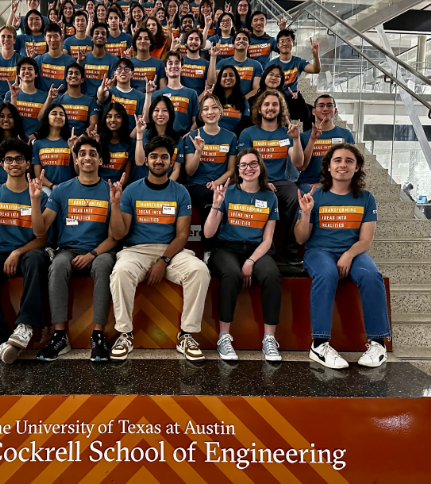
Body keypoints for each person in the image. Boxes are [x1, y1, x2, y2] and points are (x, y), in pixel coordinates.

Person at [109, 135, 211, 362]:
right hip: (136, 250)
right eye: (154, 157)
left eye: (164, 157)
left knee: (199, 270)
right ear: (146, 160)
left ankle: (186, 335)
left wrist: (163, 261)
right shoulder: (132, 191)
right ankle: (125, 333)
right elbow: (118, 234)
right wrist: (115, 205)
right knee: (121, 272)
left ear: (170, 161)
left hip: (171, 252)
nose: (158, 161)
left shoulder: (180, 192)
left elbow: (183, 235)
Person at [294, 143, 390, 370]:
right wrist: (306, 214)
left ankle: (378, 343)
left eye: (349, 161)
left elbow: (365, 240)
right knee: (326, 274)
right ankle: (319, 344)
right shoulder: (314, 194)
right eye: (337, 160)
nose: (343, 165)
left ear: (357, 168)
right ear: (328, 166)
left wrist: (347, 255)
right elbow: (300, 239)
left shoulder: (366, 198)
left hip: (353, 251)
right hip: (318, 251)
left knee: (371, 275)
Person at [29, 135, 118, 362]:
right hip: (68, 250)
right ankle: (60, 336)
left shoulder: (111, 191)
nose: (87, 158)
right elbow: (40, 231)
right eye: (82, 154)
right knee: (57, 265)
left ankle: (98, 335)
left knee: (103, 265)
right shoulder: (61, 191)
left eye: (92, 154)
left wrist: (92, 254)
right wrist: (34, 201)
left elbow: (116, 236)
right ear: (76, 160)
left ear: (100, 160)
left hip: (100, 250)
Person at [0, 139, 50, 363]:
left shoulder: (39, 195)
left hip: (28, 251)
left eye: (19, 159)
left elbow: (40, 238)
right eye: (9, 160)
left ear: (27, 164)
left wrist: (17, 253)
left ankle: (25, 326)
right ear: (2, 164)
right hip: (0, 251)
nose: (14, 163)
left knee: (37, 260)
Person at [204, 149, 282, 361]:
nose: (248, 168)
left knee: (272, 275)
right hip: (226, 249)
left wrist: (250, 261)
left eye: (253, 164)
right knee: (230, 273)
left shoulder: (270, 197)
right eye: (243, 165)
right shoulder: (227, 192)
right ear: (238, 170)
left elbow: (267, 240)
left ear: (260, 167)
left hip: (256, 250)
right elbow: (208, 233)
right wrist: (216, 206)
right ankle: (224, 337)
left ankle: (269, 339)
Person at [238, 89, 303, 263]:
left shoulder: (286, 133)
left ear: (281, 109)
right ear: (259, 109)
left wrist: (296, 139)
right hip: (254, 181)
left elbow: (298, 162)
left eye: (275, 104)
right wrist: (262, 182)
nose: (270, 108)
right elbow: (244, 164)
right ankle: (256, 250)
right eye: (266, 104)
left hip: (281, 182)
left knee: (295, 196)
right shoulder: (248, 133)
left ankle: (289, 251)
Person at [183, 93, 238, 251]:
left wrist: (216, 183)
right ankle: (208, 251)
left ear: (221, 111)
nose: (210, 112)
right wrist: (198, 152)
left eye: (214, 107)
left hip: (220, 184)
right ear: (201, 115)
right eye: (206, 109)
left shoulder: (231, 137)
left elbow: (232, 170)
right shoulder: (192, 137)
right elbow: (189, 171)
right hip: (196, 185)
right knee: (210, 198)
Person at [298, 95, 355, 193]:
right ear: (314, 111)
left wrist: (328, 183)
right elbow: (302, 166)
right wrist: (312, 139)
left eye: (329, 105)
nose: (325, 108)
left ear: (335, 111)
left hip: (338, 182)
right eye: (321, 105)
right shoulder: (303, 137)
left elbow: (352, 163)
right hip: (308, 184)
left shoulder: (345, 135)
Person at [134, 95, 184, 182]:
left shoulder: (178, 139)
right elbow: (139, 162)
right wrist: (139, 134)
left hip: (166, 184)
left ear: (170, 113)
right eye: (156, 110)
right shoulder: (144, 134)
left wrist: (164, 186)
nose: (160, 114)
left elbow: (176, 171)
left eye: (165, 110)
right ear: (151, 113)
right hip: (143, 183)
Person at [96, 57, 149, 134]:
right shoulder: (110, 91)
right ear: (115, 74)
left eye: (126, 69)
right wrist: (101, 89)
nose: (123, 72)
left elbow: (140, 120)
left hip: (130, 139)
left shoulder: (140, 96)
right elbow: (101, 96)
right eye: (119, 69)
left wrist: (130, 139)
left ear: (132, 74)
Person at [153, 51, 198, 133]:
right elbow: (149, 121)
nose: (173, 66)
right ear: (165, 69)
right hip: (162, 137)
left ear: (182, 68)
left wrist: (190, 133)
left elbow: (195, 121)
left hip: (183, 137)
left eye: (177, 63)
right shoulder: (156, 95)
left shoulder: (192, 94)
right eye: (170, 63)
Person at [31, 103, 74, 190]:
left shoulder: (71, 142)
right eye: (54, 113)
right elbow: (38, 174)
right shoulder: (37, 144)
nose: (58, 116)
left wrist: (73, 149)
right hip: (47, 187)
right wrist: (52, 186)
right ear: (47, 118)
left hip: (69, 187)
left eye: (62, 114)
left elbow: (78, 170)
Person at [4, 57, 49, 138]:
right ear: (18, 74)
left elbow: (46, 123)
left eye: (30, 68)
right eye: (23, 69)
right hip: (14, 138)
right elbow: (9, 119)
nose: (26, 71)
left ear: (36, 74)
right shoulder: (9, 95)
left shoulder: (45, 97)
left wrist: (35, 136)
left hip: (37, 139)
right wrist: (13, 97)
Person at [210, 31, 262, 98]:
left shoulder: (256, 65)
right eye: (238, 39)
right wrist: (213, 57)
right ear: (233, 45)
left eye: (245, 39)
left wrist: (242, 101)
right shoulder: (222, 63)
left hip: (246, 103)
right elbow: (212, 82)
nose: (241, 41)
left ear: (249, 45)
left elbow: (256, 89)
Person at [55, 63, 100, 136]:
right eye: (70, 73)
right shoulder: (58, 100)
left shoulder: (91, 101)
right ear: (66, 79)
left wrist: (82, 138)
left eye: (77, 73)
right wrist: (49, 98)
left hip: (83, 141)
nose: (73, 75)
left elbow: (94, 124)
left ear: (82, 80)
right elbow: (41, 118)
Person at [98, 102, 134, 184]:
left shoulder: (130, 144)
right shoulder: (97, 140)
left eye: (118, 116)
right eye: (109, 116)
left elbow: (126, 175)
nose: (113, 120)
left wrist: (117, 188)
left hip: (118, 188)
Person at [275, 29, 321, 93]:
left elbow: (315, 70)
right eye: (282, 41)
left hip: (294, 97)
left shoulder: (298, 62)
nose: (285, 43)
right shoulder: (272, 64)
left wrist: (315, 55)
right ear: (278, 45)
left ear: (293, 43)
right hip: (277, 97)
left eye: (288, 40)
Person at [211, 61, 251, 135]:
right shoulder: (212, 99)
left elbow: (245, 123)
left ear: (236, 80)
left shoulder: (242, 100)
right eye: (224, 75)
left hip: (234, 138)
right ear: (219, 80)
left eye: (231, 75)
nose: (228, 78)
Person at [34, 23, 76, 93]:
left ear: (61, 37)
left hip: (62, 100)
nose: (53, 40)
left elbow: (72, 87)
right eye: (49, 36)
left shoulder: (71, 61)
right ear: (45, 38)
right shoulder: (38, 60)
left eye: (55, 36)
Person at [82, 24, 119, 96]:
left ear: (106, 39)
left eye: (103, 34)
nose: (100, 36)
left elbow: (113, 83)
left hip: (105, 99)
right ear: (91, 38)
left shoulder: (114, 60)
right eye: (97, 33)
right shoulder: (84, 58)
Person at [130, 28, 167, 92]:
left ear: (151, 43)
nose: (143, 41)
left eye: (146, 38)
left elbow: (163, 89)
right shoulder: (128, 63)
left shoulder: (160, 63)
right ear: (135, 42)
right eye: (139, 38)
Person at [180, 28, 210, 95]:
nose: (193, 42)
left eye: (197, 39)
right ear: (185, 43)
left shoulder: (207, 64)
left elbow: (207, 87)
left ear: (201, 43)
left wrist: (196, 102)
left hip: (200, 102)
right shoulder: (178, 62)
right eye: (191, 39)